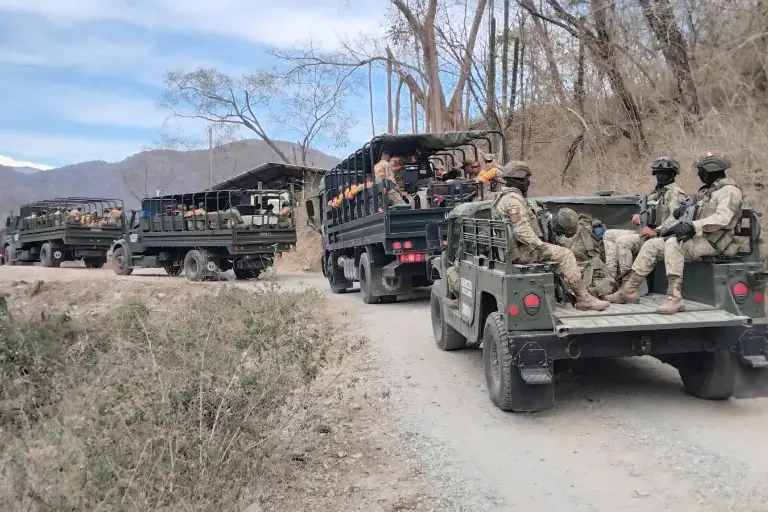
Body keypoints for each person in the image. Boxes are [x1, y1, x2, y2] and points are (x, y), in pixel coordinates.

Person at [446, 161, 610, 311]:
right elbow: (521, 230)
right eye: (527, 179)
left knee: (560, 251)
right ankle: (584, 298)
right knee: (566, 255)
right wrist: (540, 245)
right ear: (520, 180)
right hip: (522, 252)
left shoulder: (505, 197)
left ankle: (569, 293)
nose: (529, 183)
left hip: (513, 250)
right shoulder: (514, 201)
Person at [606, 152, 743, 314]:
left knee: (673, 243)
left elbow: (723, 218)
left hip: (714, 242)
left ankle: (674, 297)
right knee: (652, 245)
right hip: (699, 238)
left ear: (710, 170)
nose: (699, 174)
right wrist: (682, 214)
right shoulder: (706, 192)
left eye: (701, 171)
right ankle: (629, 290)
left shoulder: (729, 191)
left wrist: (692, 226)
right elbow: (692, 212)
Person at [603, 157, 687, 284]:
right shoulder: (657, 192)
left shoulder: (675, 193)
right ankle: (611, 278)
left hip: (661, 236)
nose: (660, 176)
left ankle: (627, 282)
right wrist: (637, 216)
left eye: (664, 173)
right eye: (658, 173)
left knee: (623, 242)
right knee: (608, 234)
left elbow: (676, 219)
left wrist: (657, 231)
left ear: (672, 174)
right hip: (645, 232)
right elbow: (647, 209)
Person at [554, 208, 616, 298]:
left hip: (592, 269)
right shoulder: (554, 237)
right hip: (571, 271)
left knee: (605, 288)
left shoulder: (587, 229)